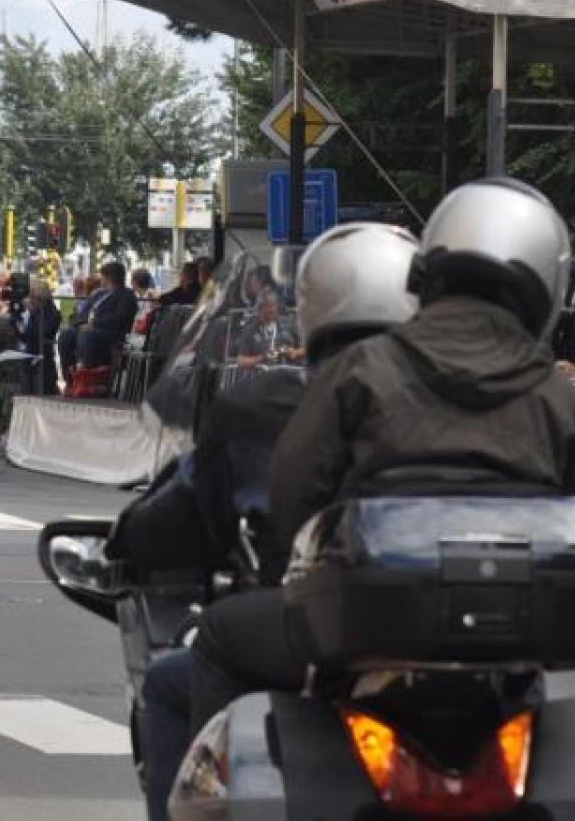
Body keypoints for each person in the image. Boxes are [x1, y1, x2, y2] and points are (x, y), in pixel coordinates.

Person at [188, 178, 575, 742]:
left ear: (425, 275)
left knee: (219, 639)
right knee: (525, 692)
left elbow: (294, 488)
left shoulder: (365, 368)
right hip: (502, 632)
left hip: (364, 629)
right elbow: (573, 514)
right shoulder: (558, 394)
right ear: (547, 288)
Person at [116, 225, 422, 821]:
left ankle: (212, 799)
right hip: (471, 631)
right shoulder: (452, 395)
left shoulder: (273, 403)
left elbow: (187, 515)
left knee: (177, 676)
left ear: (315, 307)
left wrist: (128, 539)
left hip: (338, 629)